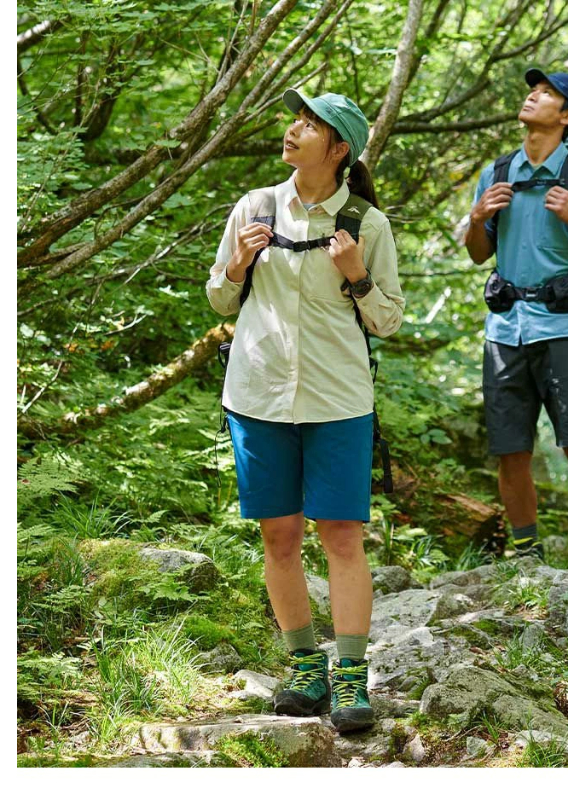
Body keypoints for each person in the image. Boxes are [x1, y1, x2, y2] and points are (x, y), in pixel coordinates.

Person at [206, 90, 404, 732]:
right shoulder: (255, 207)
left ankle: (350, 677)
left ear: (339, 149)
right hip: (257, 395)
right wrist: (238, 264)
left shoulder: (368, 224)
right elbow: (220, 300)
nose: (293, 130)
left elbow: (388, 320)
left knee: (341, 535)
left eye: (310, 125)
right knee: (279, 536)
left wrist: (357, 274)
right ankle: (303, 667)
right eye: (295, 120)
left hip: (337, 399)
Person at [465, 68, 568, 565]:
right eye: (533, 89)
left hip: (565, 330)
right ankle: (525, 554)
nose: (534, 96)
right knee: (510, 449)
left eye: (548, 94)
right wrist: (476, 218)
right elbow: (478, 253)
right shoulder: (496, 174)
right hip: (504, 332)